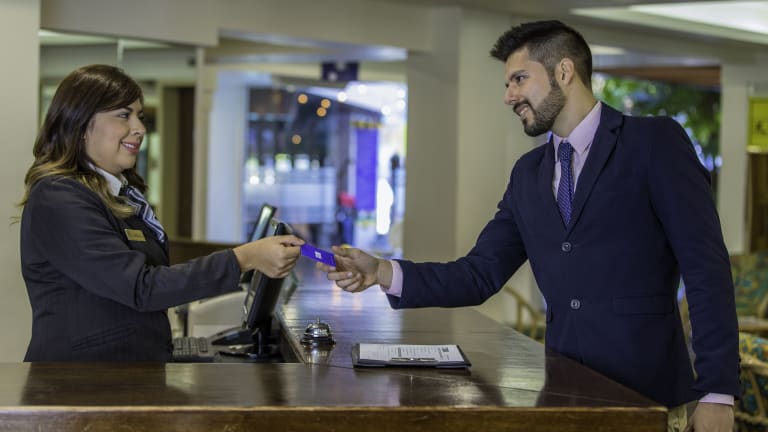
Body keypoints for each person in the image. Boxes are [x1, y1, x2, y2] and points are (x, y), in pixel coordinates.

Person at [320, 21, 738, 432]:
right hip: (563, 396)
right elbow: (479, 273)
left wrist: (718, 391)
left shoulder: (653, 143)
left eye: (519, 79)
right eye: (507, 84)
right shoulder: (528, 173)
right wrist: (382, 271)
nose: (509, 96)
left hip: (650, 398)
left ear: (564, 71)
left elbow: (706, 268)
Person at [18, 64, 304, 362]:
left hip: (123, 371)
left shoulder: (115, 192)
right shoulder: (58, 197)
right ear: (79, 122)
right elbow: (141, 287)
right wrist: (242, 258)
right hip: (79, 379)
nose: (139, 128)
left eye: (139, 116)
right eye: (123, 115)